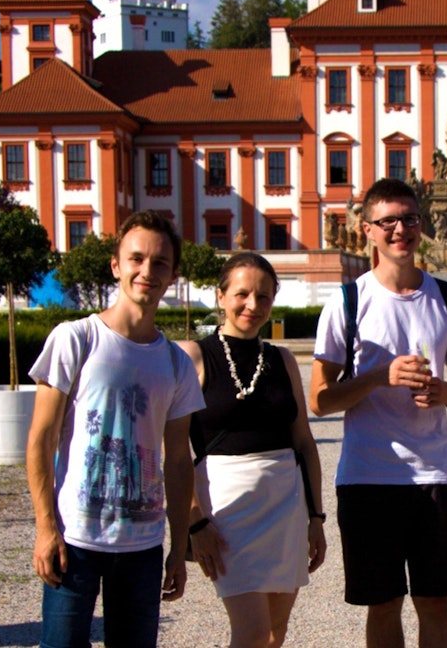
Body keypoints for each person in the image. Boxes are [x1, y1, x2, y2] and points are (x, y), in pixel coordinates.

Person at [311, 178, 447, 648]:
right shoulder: (347, 302)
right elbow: (319, 401)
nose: (400, 229)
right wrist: (376, 378)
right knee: (383, 603)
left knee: (436, 603)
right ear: (367, 229)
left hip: (437, 475)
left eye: (409, 219)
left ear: (421, 225)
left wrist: (443, 392)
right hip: (368, 477)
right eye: (388, 221)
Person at [26, 211, 204, 648]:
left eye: (160, 263)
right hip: (76, 539)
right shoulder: (75, 338)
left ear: (173, 274)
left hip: (141, 547)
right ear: (116, 265)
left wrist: (178, 546)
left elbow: (179, 460)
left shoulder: (176, 363)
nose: (147, 271)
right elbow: (40, 440)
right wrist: (45, 527)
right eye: (136, 259)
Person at [177, 253, 327, 648]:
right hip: (227, 511)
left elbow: (304, 443)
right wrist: (194, 524)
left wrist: (316, 517)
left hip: (285, 505)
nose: (253, 305)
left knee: (275, 635)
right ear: (221, 296)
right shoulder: (193, 356)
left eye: (263, 296)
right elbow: (173, 451)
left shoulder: (283, 360)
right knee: (252, 634)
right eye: (242, 294)